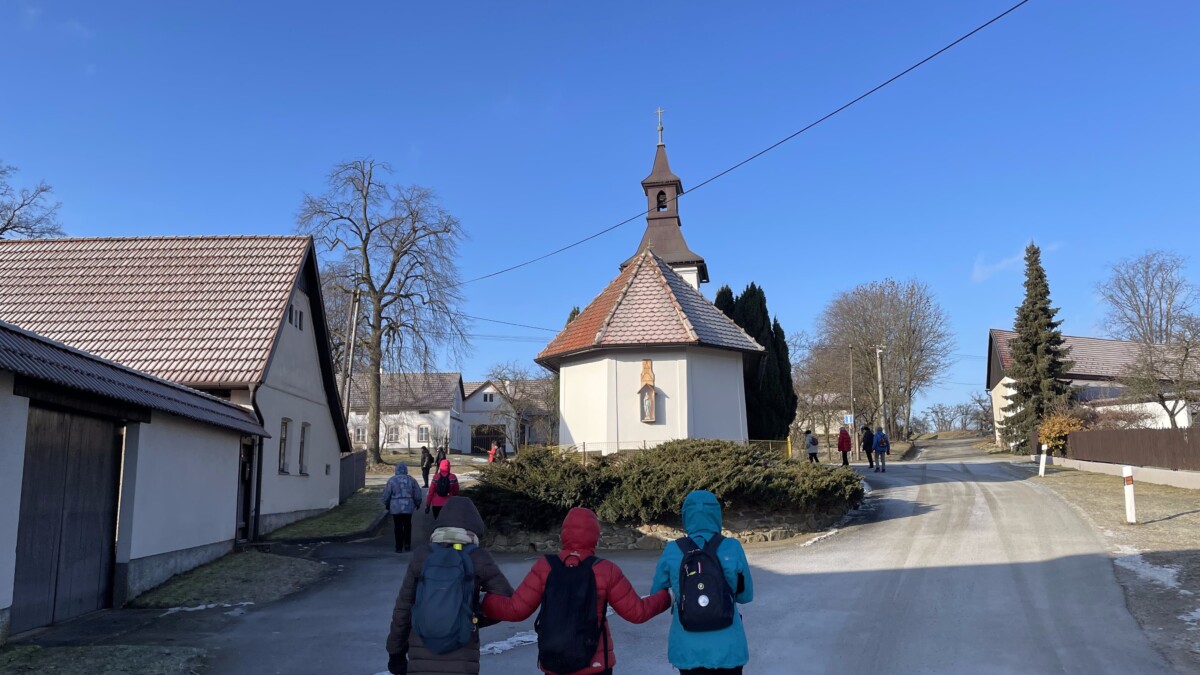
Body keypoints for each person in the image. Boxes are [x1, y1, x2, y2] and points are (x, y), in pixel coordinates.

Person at [481, 507, 671, 674]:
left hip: (554, 660)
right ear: (595, 535)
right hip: (595, 663)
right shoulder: (605, 570)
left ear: (564, 533)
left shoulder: (544, 567)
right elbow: (637, 612)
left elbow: (515, 609)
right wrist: (667, 596)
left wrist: (482, 600)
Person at [386, 496, 513, 675]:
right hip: (462, 658)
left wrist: (395, 652)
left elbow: (403, 608)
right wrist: (471, 617)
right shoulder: (478, 557)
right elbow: (507, 601)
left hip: (421, 656)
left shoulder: (423, 555)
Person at [652, 490, 753, 675]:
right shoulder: (732, 547)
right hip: (728, 649)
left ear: (686, 516)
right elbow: (745, 596)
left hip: (687, 649)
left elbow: (656, 594)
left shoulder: (673, 549)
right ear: (716, 514)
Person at [382, 463, 422, 553]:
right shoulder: (411, 480)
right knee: (407, 525)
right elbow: (417, 493)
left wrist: (386, 503)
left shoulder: (392, 480)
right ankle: (407, 544)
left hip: (396, 507)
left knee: (397, 526)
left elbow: (386, 494)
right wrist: (418, 503)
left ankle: (399, 547)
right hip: (408, 506)